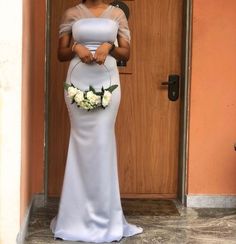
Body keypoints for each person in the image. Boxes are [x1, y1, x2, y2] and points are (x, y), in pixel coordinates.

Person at [49, 0, 144, 242]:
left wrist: (108, 47)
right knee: (80, 146)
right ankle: (74, 218)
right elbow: (60, 53)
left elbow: (127, 52)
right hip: (77, 79)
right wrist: (75, 48)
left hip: (107, 81)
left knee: (102, 144)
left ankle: (105, 217)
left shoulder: (118, 14)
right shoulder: (71, 13)